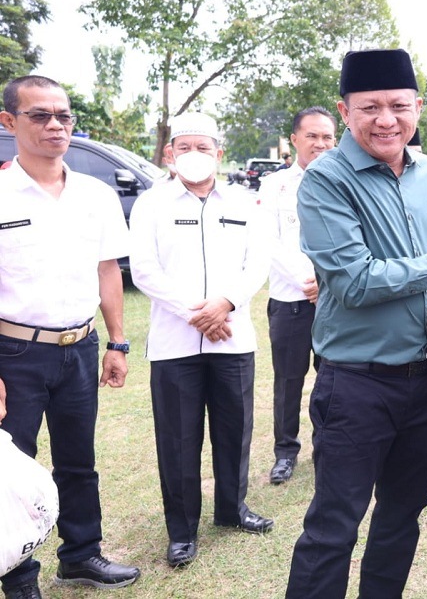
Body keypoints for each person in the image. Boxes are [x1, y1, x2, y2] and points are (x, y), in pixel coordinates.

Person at [284, 48, 427, 599]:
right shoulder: (325, 180)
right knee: (335, 524)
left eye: (399, 106)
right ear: (345, 110)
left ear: (418, 107)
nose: (387, 120)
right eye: (371, 107)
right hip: (356, 383)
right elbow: (355, 281)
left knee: (403, 516)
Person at [0, 75, 140, 598]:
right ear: (9, 122)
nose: (56, 125)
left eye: (64, 115)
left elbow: (108, 271)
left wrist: (117, 342)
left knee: (78, 462)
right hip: (13, 352)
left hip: (78, 349)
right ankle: (18, 579)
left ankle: (81, 555)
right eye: (40, 115)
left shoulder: (95, 195)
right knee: (9, 470)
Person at [129, 111, 273, 569]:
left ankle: (232, 509)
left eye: (203, 148)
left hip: (233, 338)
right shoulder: (152, 204)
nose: (194, 156)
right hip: (175, 343)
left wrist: (225, 303)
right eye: (185, 147)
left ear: (219, 153)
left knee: (235, 431)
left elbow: (258, 263)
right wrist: (198, 312)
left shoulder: (245, 202)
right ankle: (182, 530)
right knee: (178, 438)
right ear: (170, 154)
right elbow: (145, 270)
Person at [258, 106, 336, 485]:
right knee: (288, 381)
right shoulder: (275, 185)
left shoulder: (345, 180)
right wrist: (309, 280)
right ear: (294, 140)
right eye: (312, 136)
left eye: (327, 137)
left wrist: (328, 283)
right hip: (291, 300)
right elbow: (268, 241)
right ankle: (285, 452)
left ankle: (327, 446)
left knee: (333, 378)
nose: (320, 143)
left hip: (334, 302)